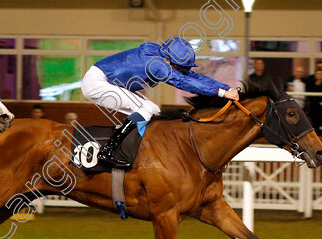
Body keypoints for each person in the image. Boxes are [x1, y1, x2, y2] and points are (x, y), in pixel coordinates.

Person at [82, 37, 238, 168]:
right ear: (169, 60)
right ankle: (107, 151)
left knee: (154, 111)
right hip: (97, 83)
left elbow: (194, 77)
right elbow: (184, 82)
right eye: (179, 67)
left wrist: (226, 88)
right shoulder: (158, 66)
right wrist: (221, 93)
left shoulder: (163, 58)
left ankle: (133, 149)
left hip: (107, 82)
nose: (181, 70)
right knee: (144, 108)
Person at [305, 69, 322, 136]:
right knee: (314, 123)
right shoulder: (311, 83)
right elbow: (309, 93)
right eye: (318, 74)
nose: (319, 76)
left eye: (321, 74)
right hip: (313, 106)